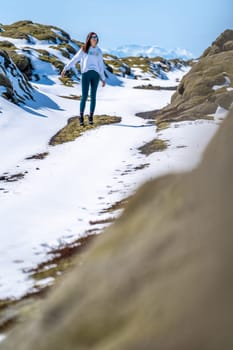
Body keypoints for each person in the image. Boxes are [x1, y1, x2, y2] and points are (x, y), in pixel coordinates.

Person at [61, 32, 106, 126]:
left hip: (96, 75)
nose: (95, 39)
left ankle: (90, 117)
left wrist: (103, 78)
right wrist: (65, 68)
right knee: (84, 96)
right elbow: (75, 59)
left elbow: (101, 65)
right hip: (86, 74)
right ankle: (81, 117)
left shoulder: (99, 51)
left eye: (96, 37)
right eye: (93, 37)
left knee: (93, 96)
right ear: (89, 39)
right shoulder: (84, 49)